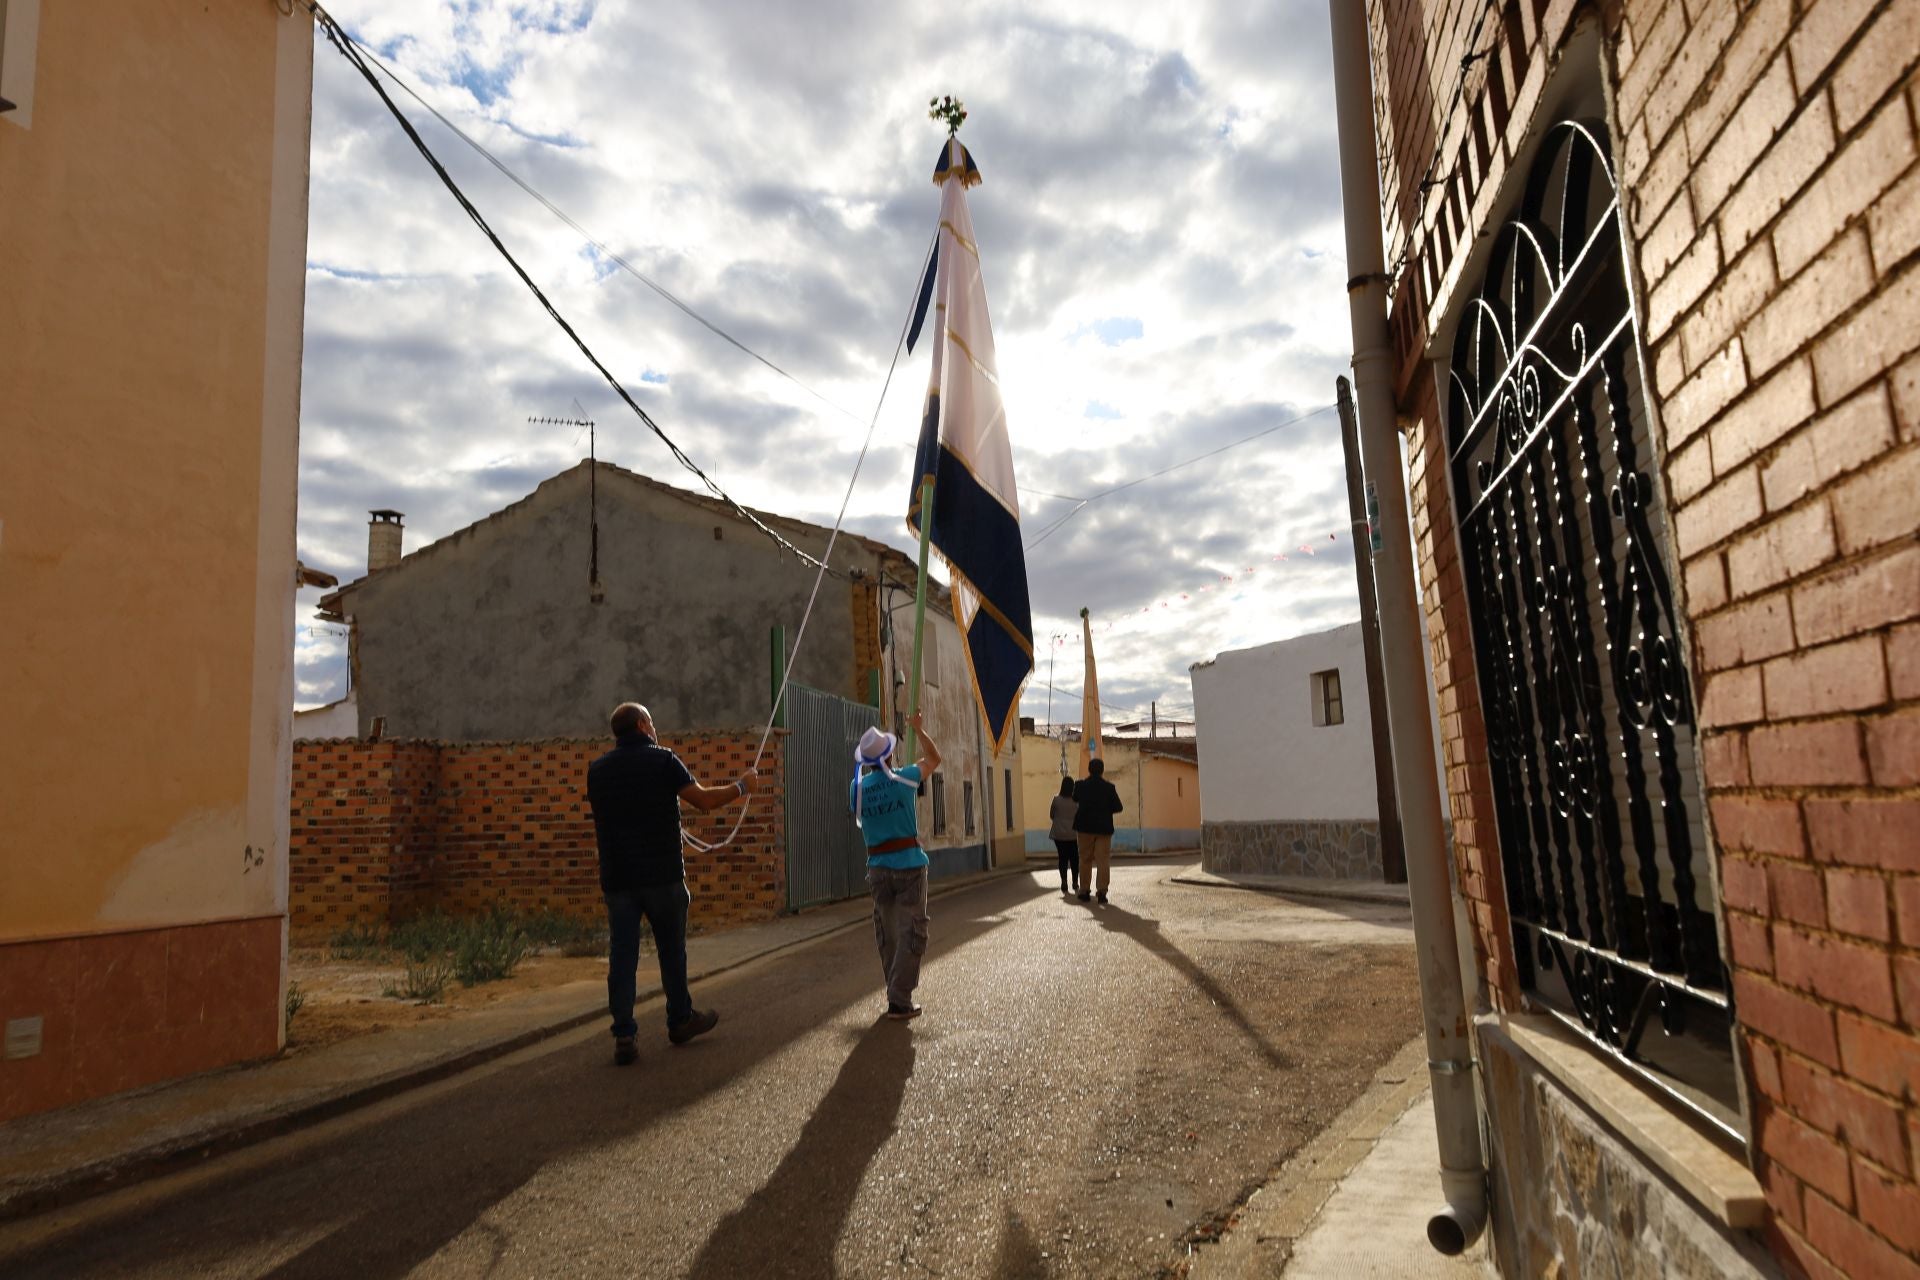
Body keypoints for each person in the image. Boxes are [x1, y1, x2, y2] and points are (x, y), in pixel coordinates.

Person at [586, 701, 755, 1066]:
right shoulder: (663, 760)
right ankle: (679, 1019)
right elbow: (704, 801)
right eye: (652, 721)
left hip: (618, 880)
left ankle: (625, 1033)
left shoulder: (596, 771)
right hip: (662, 876)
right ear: (644, 724)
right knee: (671, 952)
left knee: (623, 955)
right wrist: (743, 786)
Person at [849, 711, 942, 1021]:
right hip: (909, 865)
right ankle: (899, 999)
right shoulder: (904, 778)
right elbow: (934, 758)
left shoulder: (857, 789)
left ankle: (894, 991)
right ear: (888, 756)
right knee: (912, 931)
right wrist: (919, 727)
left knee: (887, 932)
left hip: (876, 867)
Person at [1072, 757, 1123, 904]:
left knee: (1084, 859)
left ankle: (1084, 890)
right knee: (1103, 861)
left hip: (1084, 828)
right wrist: (1105, 810)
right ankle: (1101, 892)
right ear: (1102, 771)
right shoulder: (1109, 788)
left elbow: (1075, 799)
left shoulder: (1080, 785)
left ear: (1089, 769)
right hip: (1103, 829)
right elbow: (1119, 807)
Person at [1047, 775, 1080, 895]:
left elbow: (1051, 815)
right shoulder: (1076, 801)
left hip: (1059, 834)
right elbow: (1079, 816)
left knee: (1062, 858)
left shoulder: (1056, 799)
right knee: (1074, 858)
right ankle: (1075, 882)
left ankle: (1064, 881)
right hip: (1072, 834)